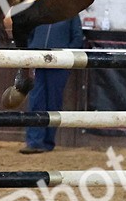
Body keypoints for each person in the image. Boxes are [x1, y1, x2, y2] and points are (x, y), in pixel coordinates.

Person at [19, 16, 85, 154]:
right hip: (37, 60)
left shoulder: (71, 14)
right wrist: (32, 50)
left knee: (53, 101)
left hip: (58, 64)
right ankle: (34, 142)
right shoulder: (40, 12)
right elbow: (28, 34)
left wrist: (65, 56)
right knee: (35, 100)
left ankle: (47, 142)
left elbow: (77, 38)